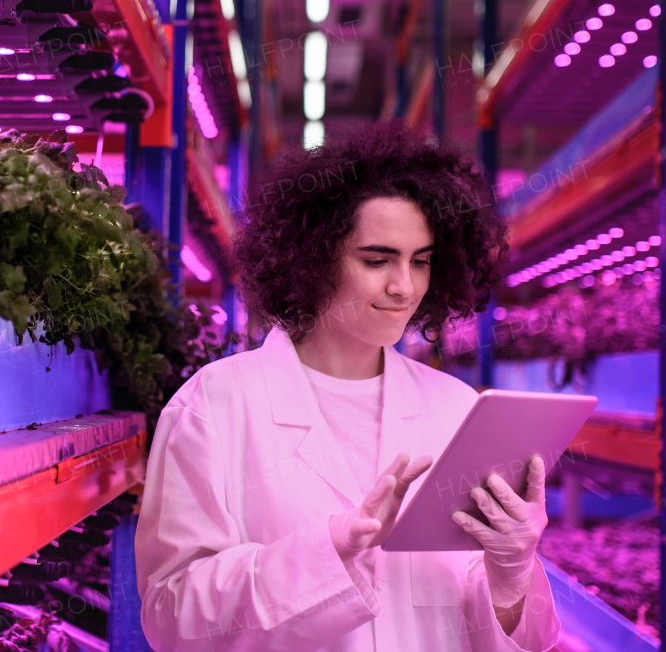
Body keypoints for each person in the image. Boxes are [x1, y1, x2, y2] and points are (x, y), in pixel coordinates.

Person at [135, 122, 560, 652]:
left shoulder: (455, 409)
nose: (403, 286)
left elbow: (506, 635)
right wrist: (329, 550)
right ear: (312, 260)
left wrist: (511, 578)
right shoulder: (216, 405)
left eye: (420, 262)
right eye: (377, 260)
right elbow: (171, 616)